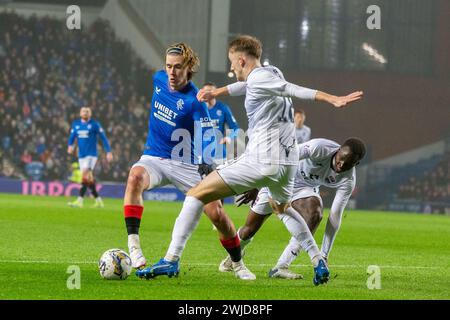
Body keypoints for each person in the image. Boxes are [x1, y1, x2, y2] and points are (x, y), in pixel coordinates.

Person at [137, 35, 363, 285]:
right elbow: (246, 86)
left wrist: (333, 99)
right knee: (282, 208)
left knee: (195, 194)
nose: (231, 69)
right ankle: (318, 260)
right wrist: (219, 91)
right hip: (288, 164)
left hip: (262, 158)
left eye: (232, 64)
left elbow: (294, 90)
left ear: (242, 60)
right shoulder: (269, 72)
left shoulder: (261, 77)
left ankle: (171, 259)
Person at [124, 42, 253, 280]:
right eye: (169, 67)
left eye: (178, 68)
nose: (171, 73)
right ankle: (134, 246)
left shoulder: (195, 101)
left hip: (187, 163)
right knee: (135, 177)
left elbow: (207, 136)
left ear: (189, 68)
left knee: (216, 214)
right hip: (154, 156)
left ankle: (237, 263)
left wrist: (206, 161)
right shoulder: (158, 79)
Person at [220, 138, 366, 280]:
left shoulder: (348, 180)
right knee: (249, 230)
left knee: (315, 214)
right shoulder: (320, 148)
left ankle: (281, 266)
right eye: (341, 159)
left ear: (356, 164)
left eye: (348, 164)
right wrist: (257, 184)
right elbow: (284, 158)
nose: (341, 165)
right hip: (280, 179)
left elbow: (335, 217)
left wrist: (324, 254)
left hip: (305, 188)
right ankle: (233, 257)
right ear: (338, 150)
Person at [67, 107, 113, 208]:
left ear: (90, 114)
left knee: (84, 175)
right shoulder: (76, 124)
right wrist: (70, 146)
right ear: (80, 113)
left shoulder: (94, 124)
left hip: (91, 155)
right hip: (81, 156)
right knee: (89, 180)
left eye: (87, 111)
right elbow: (72, 137)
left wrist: (108, 151)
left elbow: (103, 138)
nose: (85, 112)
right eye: (83, 111)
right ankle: (99, 201)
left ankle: (79, 201)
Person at [201, 82, 240, 167]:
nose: (207, 93)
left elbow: (236, 128)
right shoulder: (198, 109)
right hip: (199, 155)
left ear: (215, 92)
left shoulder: (223, 108)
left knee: (219, 179)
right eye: (205, 91)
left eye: (210, 91)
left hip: (219, 154)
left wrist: (229, 137)